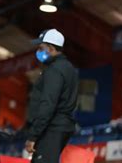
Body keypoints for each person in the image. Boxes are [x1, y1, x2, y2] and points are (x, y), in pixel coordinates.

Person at [25, 29, 79, 163]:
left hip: (52, 127)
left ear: (51, 48)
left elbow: (48, 104)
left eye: (41, 48)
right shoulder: (69, 68)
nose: (38, 51)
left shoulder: (54, 70)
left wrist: (33, 136)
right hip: (62, 125)